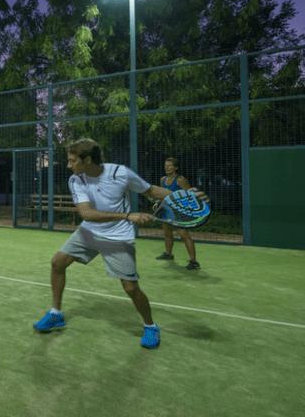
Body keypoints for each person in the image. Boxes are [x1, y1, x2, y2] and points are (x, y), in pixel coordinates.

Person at [32, 138, 208, 349]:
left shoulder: (120, 173)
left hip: (117, 237)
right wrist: (128, 215)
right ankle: (55, 313)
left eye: (72, 161)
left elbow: (150, 191)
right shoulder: (76, 180)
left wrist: (185, 196)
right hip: (89, 232)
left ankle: (150, 326)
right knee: (57, 263)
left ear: (87, 159)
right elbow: (87, 214)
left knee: (131, 288)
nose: (69, 165)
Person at [155, 158, 200, 270]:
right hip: (166, 210)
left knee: (184, 235)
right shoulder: (162, 180)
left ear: (176, 167)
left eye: (169, 165)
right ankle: (168, 254)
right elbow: (163, 195)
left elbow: (190, 196)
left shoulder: (180, 180)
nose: (167, 167)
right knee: (167, 233)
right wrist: (158, 204)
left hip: (178, 212)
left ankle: (194, 261)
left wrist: (183, 209)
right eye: (166, 165)